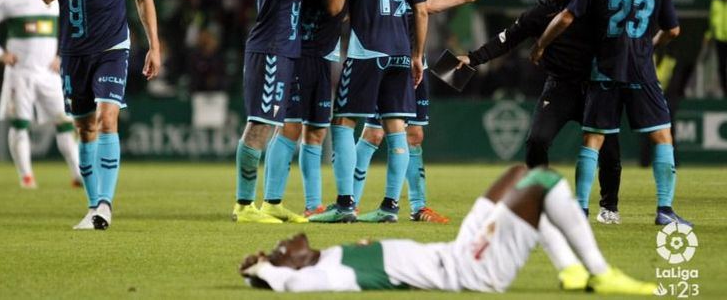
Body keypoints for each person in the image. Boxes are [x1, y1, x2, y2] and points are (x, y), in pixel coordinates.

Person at [458, 0, 662, 224]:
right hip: (560, 87)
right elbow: (506, 40)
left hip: (597, 86)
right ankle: (539, 200)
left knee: (610, 150)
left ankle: (609, 208)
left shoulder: (595, 2)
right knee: (537, 141)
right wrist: (472, 58)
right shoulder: (540, 12)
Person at [239, 165, 656, 295]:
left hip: (458, 249)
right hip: (472, 269)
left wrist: (267, 264)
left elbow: (288, 272)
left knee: (519, 174)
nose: (285, 241)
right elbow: (294, 286)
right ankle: (600, 273)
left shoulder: (330, 254)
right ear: (292, 265)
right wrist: (264, 271)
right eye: (280, 248)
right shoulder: (330, 273)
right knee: (544, 184)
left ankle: (570, 271)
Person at [531, 0, 691, 226]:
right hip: (642, 70)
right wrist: (650, 45)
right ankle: (665, 210)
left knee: (593, 140)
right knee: (662, 136)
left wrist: (540, 45)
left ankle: (580, 210)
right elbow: (673, 30)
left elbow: (566, 18)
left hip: (604, 69)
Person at [232, 0, 382, 224]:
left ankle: (270, 204)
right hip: (271, 47)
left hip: (287, 49)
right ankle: (244, 206)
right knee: (261, 124)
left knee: (273, 125)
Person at [39, 0, 161, 230]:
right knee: (84, 127)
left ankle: (105, 206)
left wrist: (154, 44)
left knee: (108, 119)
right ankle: (93, 207)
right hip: (74, 51)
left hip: (113, 48)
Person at [309, 0, 428, 223]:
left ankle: (345, 204)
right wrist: (417, 55)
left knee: (344, 122)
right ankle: (390, 207)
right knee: (395, 127)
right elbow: (420, 9)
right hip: (402, 52)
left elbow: (335, 8)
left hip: (367, 50)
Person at [355, 0, 480, 223]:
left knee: (415, 136)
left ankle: (418, 205)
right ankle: (350, 203)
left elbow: (423, 5)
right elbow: (422, 10)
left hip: (414, 61)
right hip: (391, 58)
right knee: (373, 134)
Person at [0, 0, 81, 189]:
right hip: (20, 73)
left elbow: (71, 28)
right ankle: (27, 178)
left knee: (64, 122)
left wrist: (61, 56)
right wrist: (0, 54)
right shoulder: (9, 0)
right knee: (20, 123)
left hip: (49, 73)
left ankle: (77, 175)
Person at [707, 0, 727, 95]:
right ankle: (725, 92)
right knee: (722, 66)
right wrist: (709, 35)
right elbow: (712, 21)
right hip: (720, 39)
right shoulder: (716, 2)